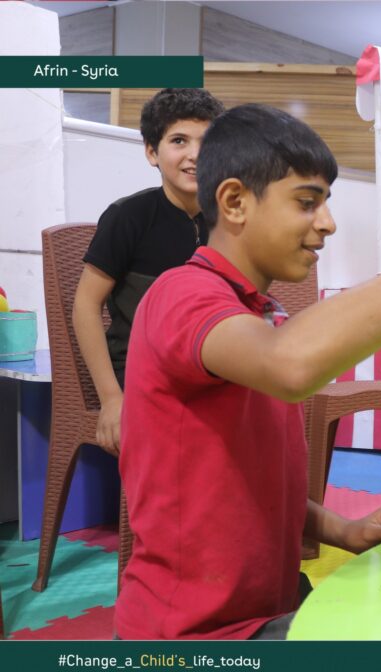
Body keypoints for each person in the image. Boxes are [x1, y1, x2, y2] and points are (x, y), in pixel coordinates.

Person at [115, 104, 381, 640]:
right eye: (307, 202)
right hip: (193, 636)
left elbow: (246, 483)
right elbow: (289, 365)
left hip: (267, 607)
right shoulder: (183, 295)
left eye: (326, 202)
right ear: (234, 202)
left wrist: (341, 528)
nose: (327, 222)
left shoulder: (261, 314)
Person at [74, 88, 225, 455]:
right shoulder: (128, 217)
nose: (195, 155)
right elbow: (85, 306)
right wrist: (112, 398)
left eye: (207, 142)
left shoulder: (228, 219)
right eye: (179, 141)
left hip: (210, 368)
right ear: (152, 152)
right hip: (141, 371)